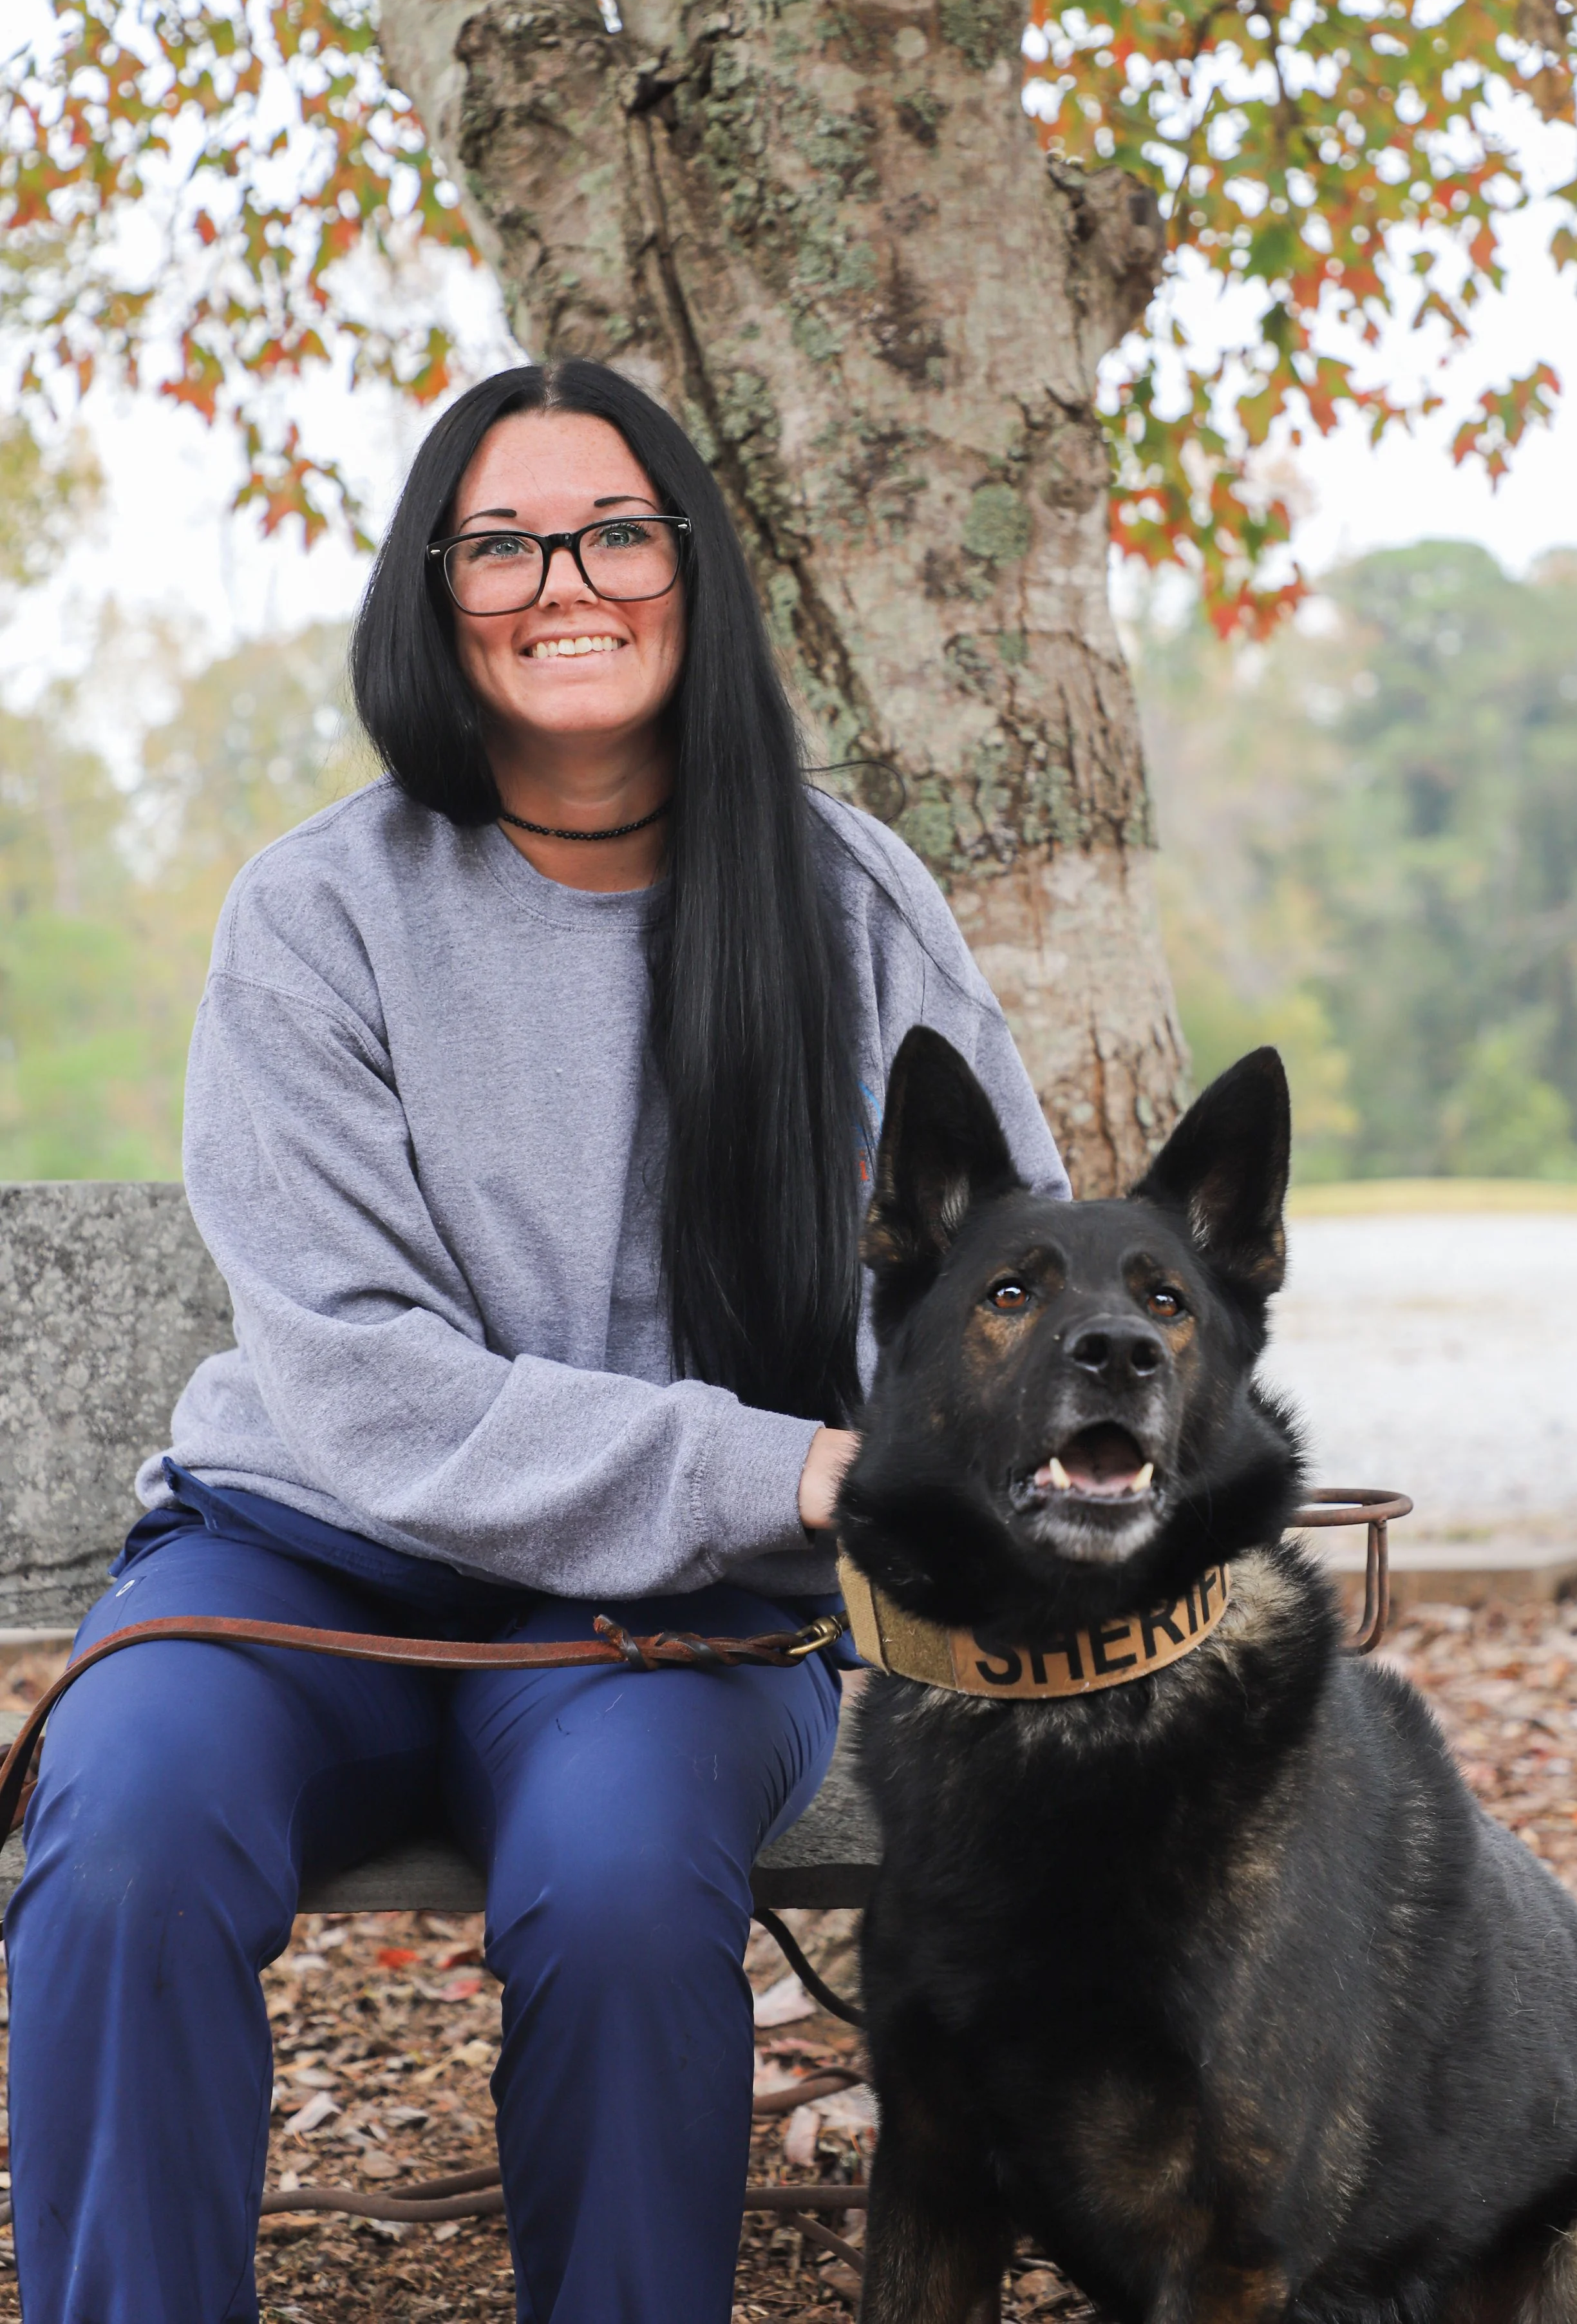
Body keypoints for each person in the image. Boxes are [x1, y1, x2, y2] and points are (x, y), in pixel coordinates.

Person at [4, 359, 1068, 2324]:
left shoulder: (843, 899)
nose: (557, 576)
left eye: (610, 528)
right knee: (129, 1828)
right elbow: (353, 1374)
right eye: (498, 538)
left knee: (620, 1875)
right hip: (300, 1560)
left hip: (664, 1613)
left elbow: (999, 1273)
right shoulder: (316, 910)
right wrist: (792, 1463)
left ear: (688, 565)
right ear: (433, 587)